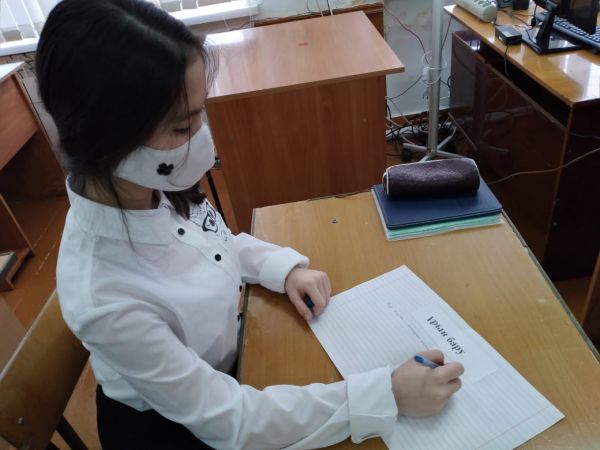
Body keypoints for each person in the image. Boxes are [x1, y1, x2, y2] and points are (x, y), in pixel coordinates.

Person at [37, 0, 464, 448]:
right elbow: (229, 419)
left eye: (200, 114)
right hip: (177, 427)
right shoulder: (106, 293)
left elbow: (214, 242)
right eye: (183, 128)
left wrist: (282, 269)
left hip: (227, 369)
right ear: (107, 139)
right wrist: (386, 395)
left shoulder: (144, 185)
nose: (203, 138)